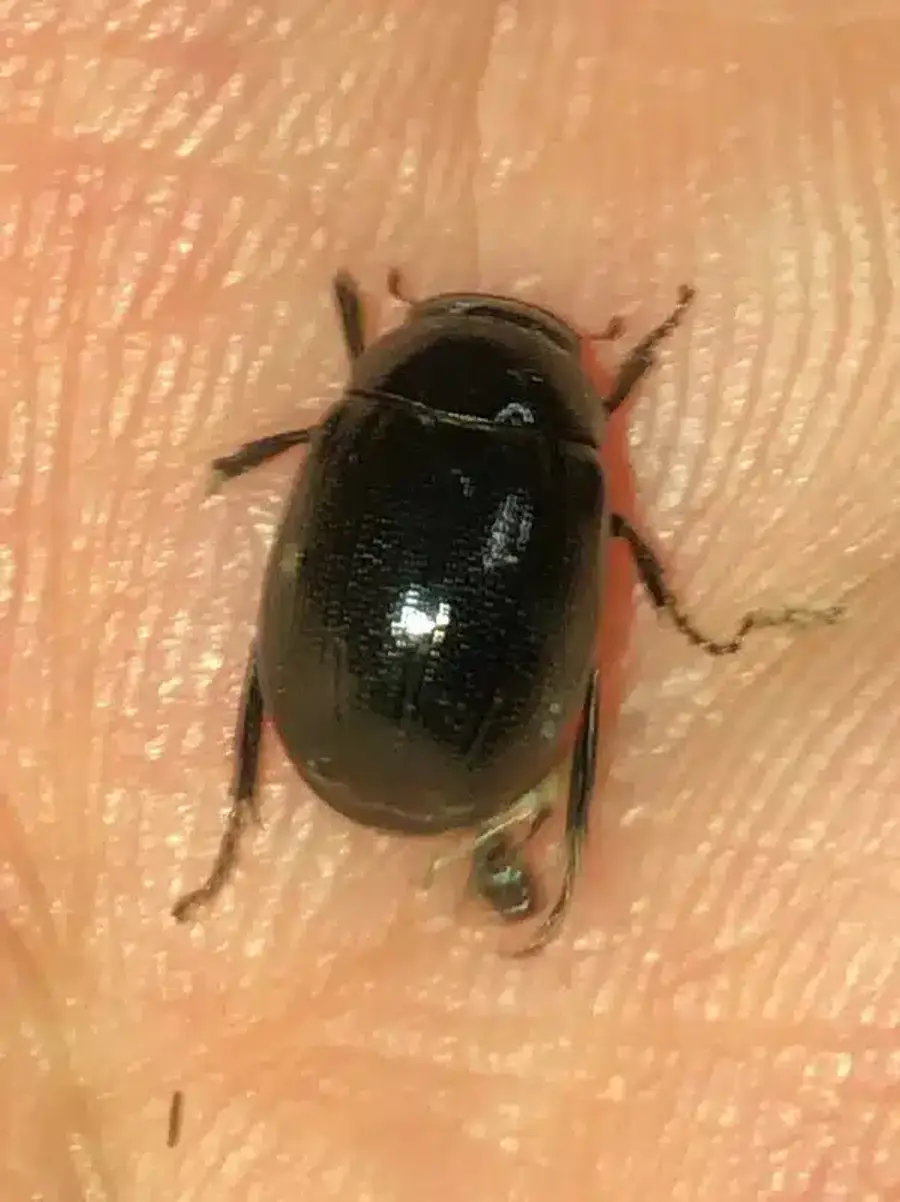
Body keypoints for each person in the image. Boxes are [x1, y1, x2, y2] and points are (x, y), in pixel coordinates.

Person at [4, 4, 897, 1198]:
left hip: (365, 718)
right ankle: (529, 835)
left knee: (315, 664)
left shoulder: (360, 423)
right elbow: (608, 554)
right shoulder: (570, 470)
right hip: (466, 735)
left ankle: (237, 828)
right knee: (577, 671)